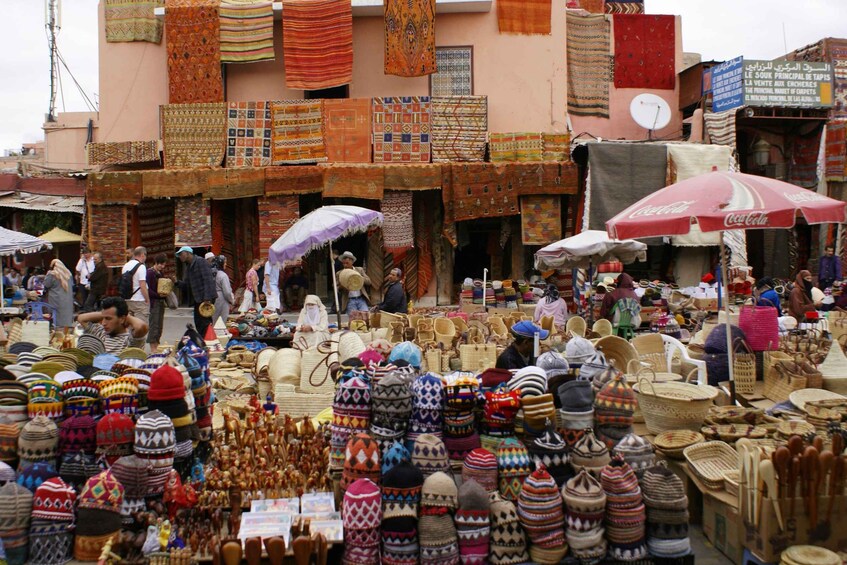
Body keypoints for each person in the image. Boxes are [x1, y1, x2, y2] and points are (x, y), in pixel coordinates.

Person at [78, 296, 148, 354]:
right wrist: (105, 314)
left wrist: (127, 316)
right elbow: (81, 318)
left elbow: (141, 327)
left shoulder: (128, 340)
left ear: (122, 319)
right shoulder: (101, 332)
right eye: (103, 318)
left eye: (108, 319)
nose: (103, 323)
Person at [175, 246, 217, 338]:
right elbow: (187, 285)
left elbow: (208, 280)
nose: (180, 257)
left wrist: (207, 298)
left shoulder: (200, 261)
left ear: (188, 253)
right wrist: (176, 282)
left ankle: (208, 342)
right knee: (199, 323)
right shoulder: (189, 267)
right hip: (198, 299)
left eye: (181, 254)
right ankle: (204, 341)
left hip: (205, 298)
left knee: (205, 323)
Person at [43, 259, 74, 332]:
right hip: (67, 300)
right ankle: (67, 329)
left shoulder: (52, 274)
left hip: (56, 299)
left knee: (57, 317)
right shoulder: (68, 274)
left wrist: (48, 273)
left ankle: (58, 331)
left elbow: (46, 284)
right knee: (66, 316)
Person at [146, 253, 168, 351]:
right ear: (156, 262)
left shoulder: (160, 273)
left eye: (163, 264)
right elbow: (148, 289)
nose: (162, 266)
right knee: (154, 326)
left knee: (159, 326)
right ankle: (153, 349)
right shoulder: (150, 273)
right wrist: (157, 295)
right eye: (160, 264)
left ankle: (156, 346)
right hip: (154, 302)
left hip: (160, 302)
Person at [122, 246, 150, 325]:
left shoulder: (126, 265)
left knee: (130, 326)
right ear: (142, 255)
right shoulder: (141, 267)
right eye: (145, 255)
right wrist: (147, 300)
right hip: (139, 300)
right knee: (141, 326)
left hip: (128, 299)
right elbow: (142, 285)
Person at [213, 255, 234, 325]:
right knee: (222, 320)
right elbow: (227, 292)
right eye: (225, 263)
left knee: (214, 319)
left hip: (213, 297)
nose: (226, 264)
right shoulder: (223, 275)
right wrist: (231, 300)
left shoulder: (212, 273)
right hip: (222, 299)